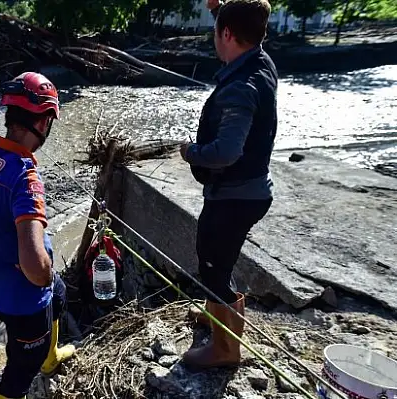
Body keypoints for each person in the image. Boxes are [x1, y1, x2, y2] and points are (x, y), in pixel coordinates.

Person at [0, 72, 76, 399]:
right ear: (43, 124)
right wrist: (45, 273)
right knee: (20, 369)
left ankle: (50, 357)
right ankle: (33, 366)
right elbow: (34, 264)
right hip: (22, 297)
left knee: (60, 292)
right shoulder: (27, 180)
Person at [179, 0, 278, 369]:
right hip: (250, 191)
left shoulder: (241, 86)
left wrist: (191, 151)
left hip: (235, 196)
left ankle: (224, 349)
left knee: (212, 265)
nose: (213, 38)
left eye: (216, 28)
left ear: (227, 34)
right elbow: (246, 21)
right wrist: (224, 8)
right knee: (221, 260)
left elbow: (226, 152)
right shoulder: (261, 61)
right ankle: (216, 316)